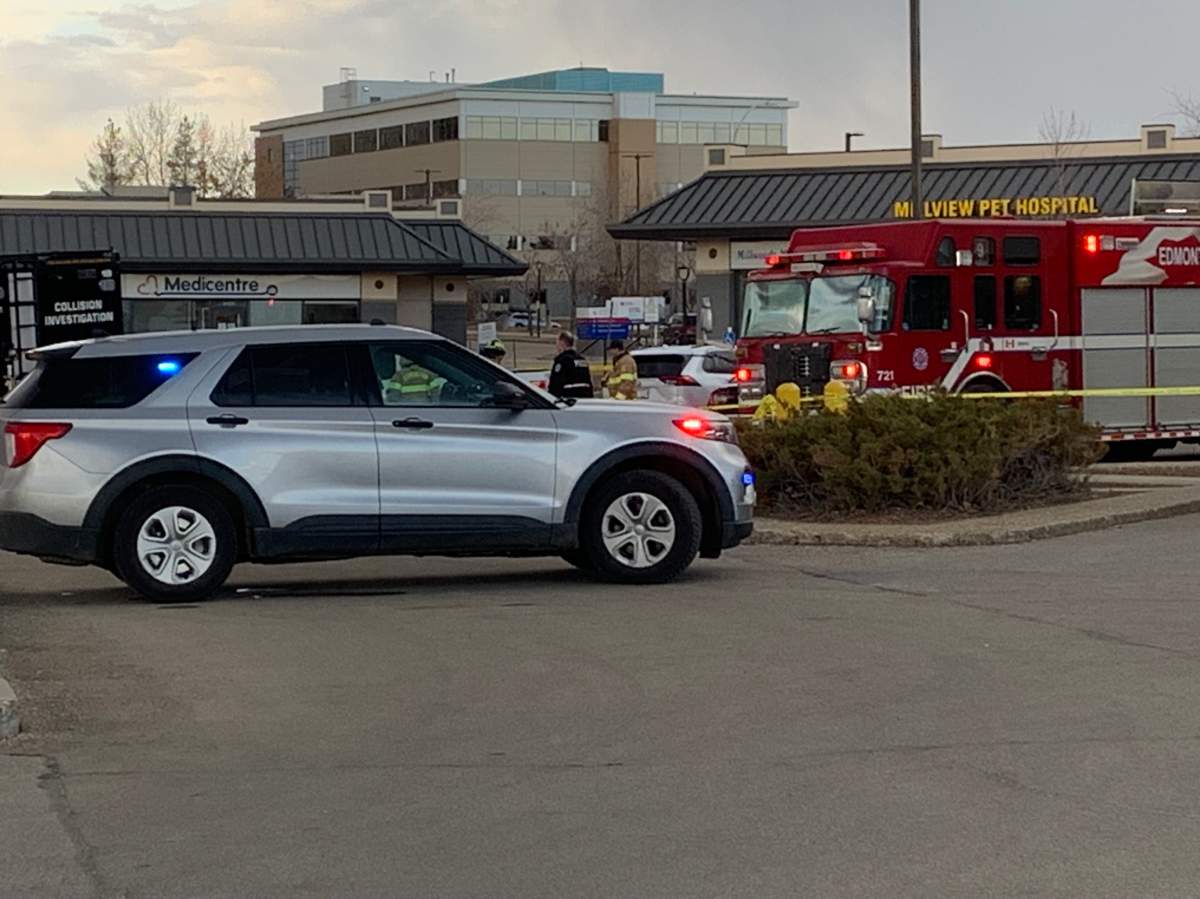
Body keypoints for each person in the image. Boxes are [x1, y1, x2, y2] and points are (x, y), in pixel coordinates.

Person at [547, 332, 594, 400]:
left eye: (557, 343)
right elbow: (588, 381)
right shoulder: (582, 360)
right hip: (585, 399)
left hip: (568, 399)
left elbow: (555, 384)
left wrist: (551, 398)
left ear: (562, 343)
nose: (556, 346)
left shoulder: (561, 361)